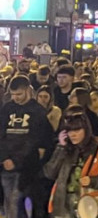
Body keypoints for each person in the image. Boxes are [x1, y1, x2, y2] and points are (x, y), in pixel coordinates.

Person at [43, 107, 98, 218]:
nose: (73, 134)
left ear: (86, 130)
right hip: (64, 207)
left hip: (91, 206)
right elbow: (49, 173)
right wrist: (60, 148)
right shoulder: (65, 149)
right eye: (69, 131)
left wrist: (93, 181)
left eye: (77, 130)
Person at [0, 75, 55, 218]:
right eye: (13, 94)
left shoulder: (38, 111)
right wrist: (4, 157)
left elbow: (34, 140)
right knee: (8, 201)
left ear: (27, 91)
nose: (15, 98)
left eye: (18, 94)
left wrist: (16, 161)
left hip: (26, 167)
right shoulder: (7, 108)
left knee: (16, 202)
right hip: (6, 164)